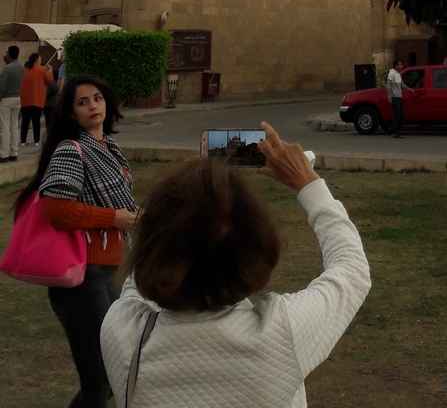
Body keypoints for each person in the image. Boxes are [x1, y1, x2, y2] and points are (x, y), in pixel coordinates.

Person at [100, 121, 371, 408]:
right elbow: (352, 269)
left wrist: (175, 197)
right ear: (257, 253)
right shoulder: (281, 335)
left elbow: (143, 267)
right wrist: (309, 183)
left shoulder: (122, 334)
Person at [14, 74, 138, 407]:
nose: (93, 106)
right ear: (71, 113)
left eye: (97, 98)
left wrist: (130, 214)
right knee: (100, 383)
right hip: (82, 278)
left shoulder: (109, 147)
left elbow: (113, 201)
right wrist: (113, 218)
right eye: (83, 102)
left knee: (110, 378)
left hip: (104, 273)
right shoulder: (71, 150)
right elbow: (59, 210)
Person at [20, 51, 53, 146]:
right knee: (36, 122)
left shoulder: (24, 70)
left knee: (25, 121)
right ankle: (36, 140)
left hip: (25, 100)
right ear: (37, 59)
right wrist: (50, 70)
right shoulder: (42, 69)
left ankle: (23, 141)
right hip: (37, 99)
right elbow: (49, 79)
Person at [0, 45, 24, 163]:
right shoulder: (21, 67)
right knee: (14, 125)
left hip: (6, 99)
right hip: (17, 98)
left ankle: (4, 154)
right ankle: (14, 152)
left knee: (4, 126)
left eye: (6, 52)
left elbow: (2, 86)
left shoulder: (7, 68)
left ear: (9, 54)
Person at [386, 59, 408, 138]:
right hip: (394, 97)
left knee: (402, 114)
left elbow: (402, 85)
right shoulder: (391, 74)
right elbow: (388, 85)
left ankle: (393, 128)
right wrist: (389, 96)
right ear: (396, 66)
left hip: (399, 97)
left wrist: (409, 89)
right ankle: (395, 133)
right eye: (400, 65)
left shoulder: (398, 74)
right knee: (397, 115)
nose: (401, 66)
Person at [44, 66, 60, 133]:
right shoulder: (59, 83)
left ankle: (49, 133)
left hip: (48, 104)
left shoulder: (50, 84)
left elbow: (47, 93)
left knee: (48, 121)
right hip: (56, 103)